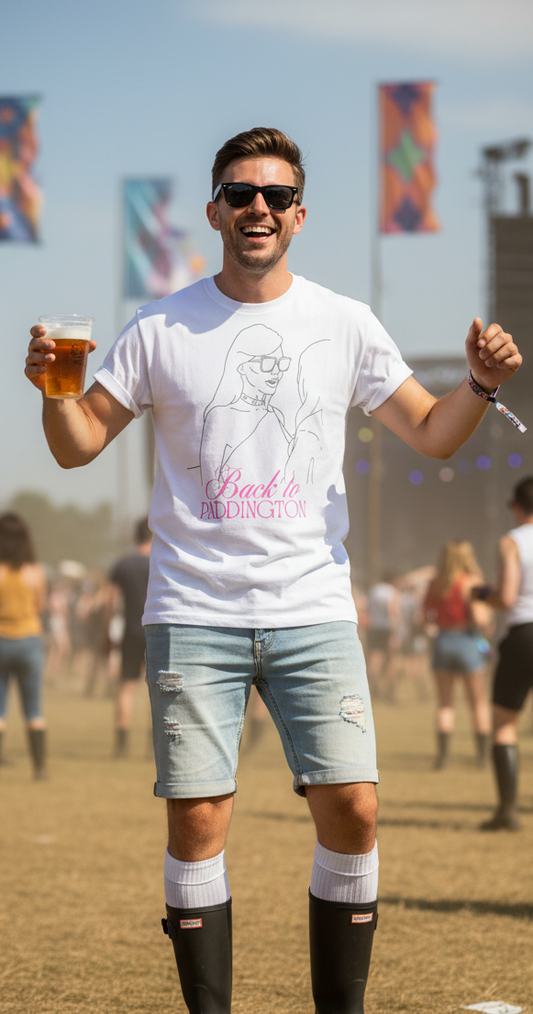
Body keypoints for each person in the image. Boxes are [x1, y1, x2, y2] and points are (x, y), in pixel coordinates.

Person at [25, 127, 521, 1014]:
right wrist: (57, 394)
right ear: (214, 210)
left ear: (300, 215)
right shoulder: (160, 326)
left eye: (276, 195)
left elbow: (433, 432)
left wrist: (478, 387)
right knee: (197, 822)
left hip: (311, 606)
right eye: (240, 193)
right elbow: (78, 447)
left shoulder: (343, 322)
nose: (259, 208)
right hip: (192, 607)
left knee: (356, 811)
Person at [480, 477, 533, 831]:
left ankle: (508, 812)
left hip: (524, 634)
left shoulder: (512, 541)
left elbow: (508, 597)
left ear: (516, 505)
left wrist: (483, 594)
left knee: (504, 725)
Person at [424, 542, 492, 769]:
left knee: (445, 704)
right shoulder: (473, 582)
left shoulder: (435, 582)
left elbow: (425, 615)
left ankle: (442, 758)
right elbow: (481, 619)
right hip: (468, 641)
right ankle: (482, 758)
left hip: (443, 641)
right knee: (478, 703)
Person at [0, 513, 47, 778]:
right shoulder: (35, 571)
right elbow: (40, 607)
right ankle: (39, 769)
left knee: (0, 707)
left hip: (1, 641)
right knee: (34, 708)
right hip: (29, 641)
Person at [108, 517, 152, 758]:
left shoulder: (123, 563)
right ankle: (153, 746)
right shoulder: (160, 561)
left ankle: (122, 745)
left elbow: (110, 602)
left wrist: (106, 634)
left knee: (126, 687)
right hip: (156, 632)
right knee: (156, 689)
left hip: (130, 632)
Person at [366, 575, 401, 701]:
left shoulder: (374, 590)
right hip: (387, 629)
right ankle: (390, 692)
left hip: (373, 628)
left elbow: (368, 609)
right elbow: (393, 611)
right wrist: (395, 633)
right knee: (392, 660)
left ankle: (372, 688)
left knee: (374, 658)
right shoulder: (392, 591)